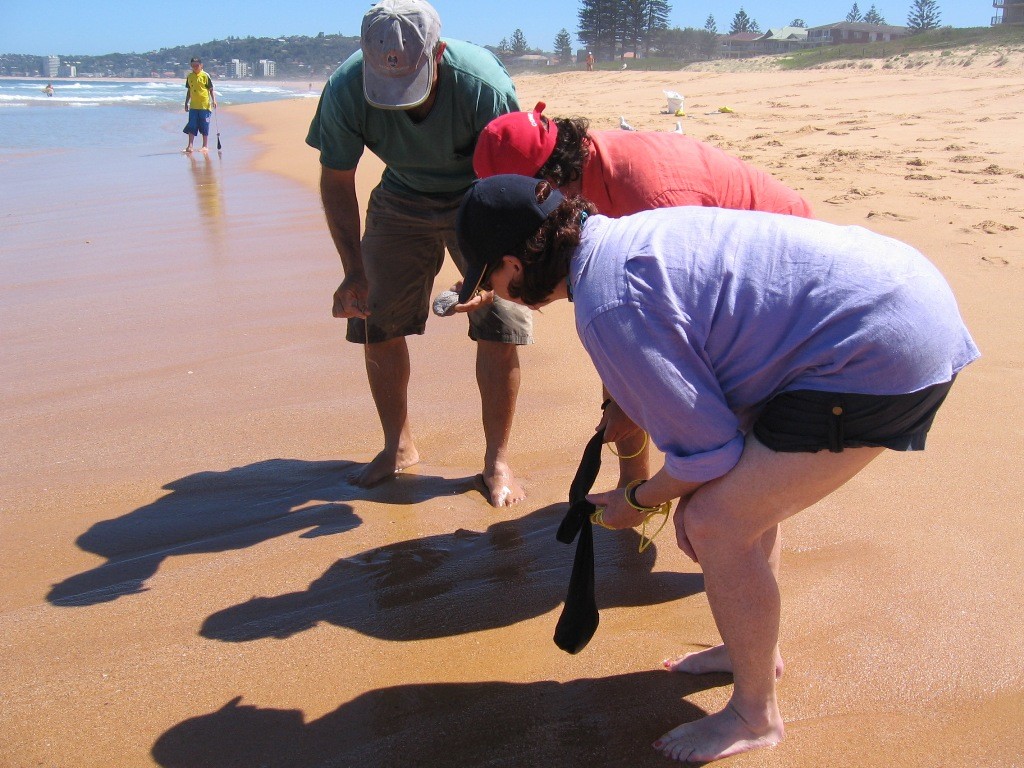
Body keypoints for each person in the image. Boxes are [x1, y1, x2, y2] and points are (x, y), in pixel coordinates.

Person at [455, 175, 979, 763]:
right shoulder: (624, 237)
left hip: (884, 348)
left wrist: (641, 498)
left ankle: (756, 715)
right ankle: (749, 649)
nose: (498, 294)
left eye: (490, 282)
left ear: (513, 262)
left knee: (715, 520)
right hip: (899, 290)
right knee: (738, 505)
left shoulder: (605, 305)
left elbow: (709, 452)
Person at [473, 102, 813, 486]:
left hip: (781, 264)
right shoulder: (583, 173)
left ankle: (711, 499)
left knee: (721, 460)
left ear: (551, 184)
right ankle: (633, 481)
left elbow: (677, 321)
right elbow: (620, 341)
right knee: (622, 350)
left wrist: (634, 407)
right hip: (725, 256)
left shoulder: (648, 197)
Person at [305, 0, 530, 506]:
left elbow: (515, 182)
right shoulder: (346, 88)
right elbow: (337, 178)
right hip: (401, 195)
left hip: (482, 193)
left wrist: (482, 272)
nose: (401, 105)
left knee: (500, 321)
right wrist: (352, 271)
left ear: (439, 53)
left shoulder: (483, 87)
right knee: (374, 318)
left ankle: (497, 460)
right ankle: (397, 446)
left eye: (411, 87)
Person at [183, 57, 216, 153]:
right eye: (193, 65)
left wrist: (214, 100)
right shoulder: (190, 76)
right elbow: (189, 91)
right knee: (191, 126)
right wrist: (186, 102)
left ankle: (205, 146)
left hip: (204, 106)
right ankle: (190, 146)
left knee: (204, 126)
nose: (195, 67)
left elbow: (211, 89)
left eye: (197, 65)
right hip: (193, 106)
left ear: (201, 65)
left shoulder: (205, 76)